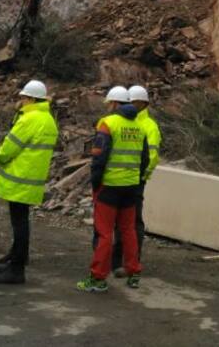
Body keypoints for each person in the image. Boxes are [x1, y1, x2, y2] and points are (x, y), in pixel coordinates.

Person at [77, 86, 147, 293]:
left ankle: (98, 278)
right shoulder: (139, 126)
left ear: (115, 103)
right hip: (131, 186)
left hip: (109, 187)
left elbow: (99, 156)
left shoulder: (108, 123)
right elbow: (145, 160)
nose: (107, 107)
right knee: (128, 230)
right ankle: (134, 272)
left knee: (104, 233)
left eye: (109, 103)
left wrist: (95, 182)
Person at [0, 79, 60, 285]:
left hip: (18, 179)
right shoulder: (48, 119)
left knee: (19, 223)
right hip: (33, 179)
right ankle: (16, 256)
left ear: (30, 99)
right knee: (22, 221)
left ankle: (17, 269)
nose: (20, 102)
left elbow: (9, 148)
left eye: (22, 98)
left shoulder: (28, 119)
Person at [111, 85, 161, 277]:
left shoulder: (149, 126)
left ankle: (131, 261)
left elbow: (152, 156)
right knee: (119, 221)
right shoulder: (125, 122)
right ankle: (116, 261)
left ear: (143, 103)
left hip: (135, 181)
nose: (129, 104)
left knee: (133, 221)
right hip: (121, 179)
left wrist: (141, 177)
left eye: (133, 101)